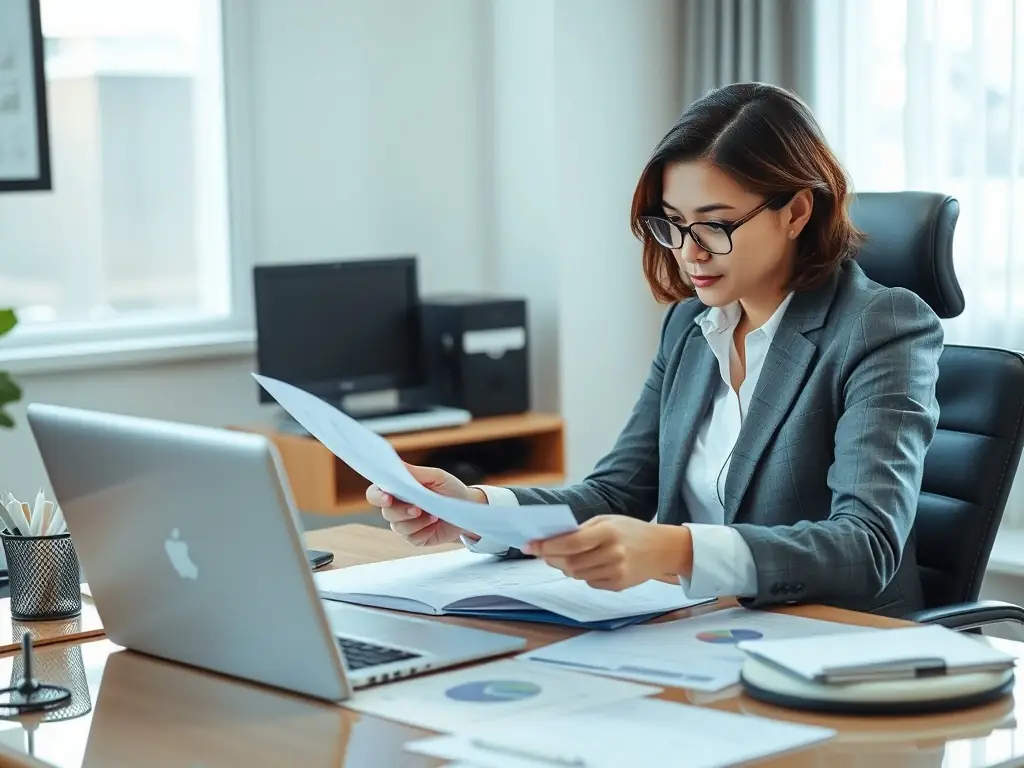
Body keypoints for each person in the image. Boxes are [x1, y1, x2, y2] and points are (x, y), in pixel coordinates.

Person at [367, 82, 943, 617]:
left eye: (715, 225)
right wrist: (472, 509)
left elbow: (865, 546)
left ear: (795, 211)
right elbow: (617, 492)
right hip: (698, 636)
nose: (689, 252)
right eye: (673, 224)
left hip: (833, 651)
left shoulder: (882, 326)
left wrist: (676, 550)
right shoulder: (691, 325)